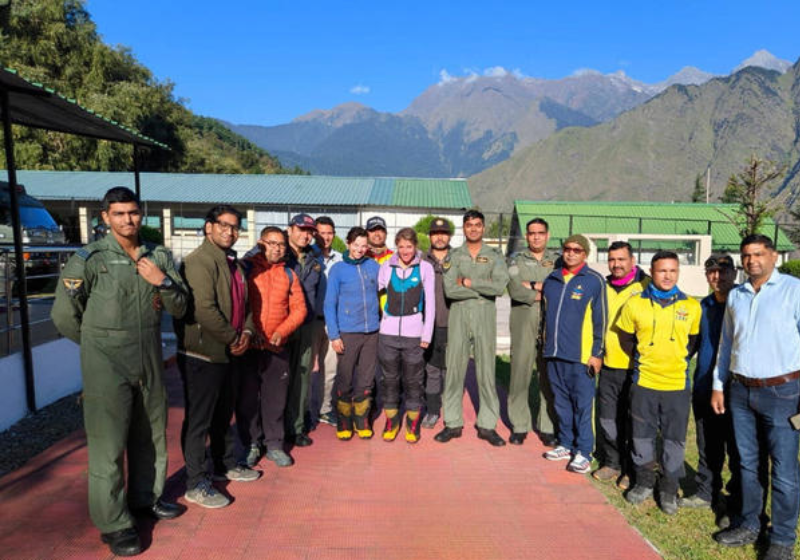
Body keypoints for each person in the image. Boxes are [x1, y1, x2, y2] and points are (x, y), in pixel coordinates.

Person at [52, 187, 188, 556]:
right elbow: (64, 315)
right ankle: (114, 523)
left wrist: (162, 280)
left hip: (148, 360)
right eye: (119, 214)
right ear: (105, 218)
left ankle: (146, 498)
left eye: (133, 213)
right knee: (108, 447)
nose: (128, 220)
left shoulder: (157, 255)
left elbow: (179, 306)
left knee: (150, 436)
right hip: (106, 364)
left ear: (141, 214)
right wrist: (98, 347)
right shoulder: (90, 259)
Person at [712, 235, 800, 560]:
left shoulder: (794, 291)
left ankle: (782, 539)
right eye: (746, 255)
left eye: (758, 254)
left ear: (774, 256)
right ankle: (750, 523)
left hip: (785, 392)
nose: (752, 261)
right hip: (740, 392)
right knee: (747, 464)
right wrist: (719, 385)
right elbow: (726, 344)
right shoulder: (736, 295)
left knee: (784, 468)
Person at [175, 205, 260, 510]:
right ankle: (196, 481)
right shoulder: (199, 262)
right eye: (223, 225)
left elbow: (247, 307)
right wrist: (234, 337)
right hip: (203, 354)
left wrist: (247, 334)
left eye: (235, 227)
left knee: (224, 415)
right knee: (200, 420)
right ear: (208, 227)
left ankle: (225, 464)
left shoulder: (233, 264)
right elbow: (204, 310)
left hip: (230, 352)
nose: (230, 231)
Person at [617, 251, 701, 515]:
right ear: (652, 273)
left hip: (677, 385)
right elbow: (626, 339)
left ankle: (668, 488)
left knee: (674, 439)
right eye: (662, 271)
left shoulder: (691, 306)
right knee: (642, 435)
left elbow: (693, 343)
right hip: (645, 383)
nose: (667, 276)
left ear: (678, 273)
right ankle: (643, 481)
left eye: (673, 271)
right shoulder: (634, 304)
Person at [434, 210, 509, 447]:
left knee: (486, 369)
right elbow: (450, 290)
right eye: (469, 225)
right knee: (455, 368)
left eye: (478, 225)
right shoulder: (454, 255)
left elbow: (499, 287)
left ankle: (487, 425)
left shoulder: (495, 256)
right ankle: (453, 423)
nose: (474, 229)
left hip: (485, 315)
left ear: (483, 227)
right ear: (463, 228)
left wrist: (468, 282)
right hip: (459, 313)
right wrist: (481, 288)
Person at [679, 255, 741, 526]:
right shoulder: (700, 307)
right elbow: (689, 345)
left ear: (734, 272)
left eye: (723, 271)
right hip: (705, 387)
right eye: (712, 272)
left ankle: (736, 501)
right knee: (707, 445)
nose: (718, 277)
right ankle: (707, 492)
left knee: (739, 450)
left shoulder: (744, 303)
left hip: (737, 391)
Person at [237, 227, 306, 468]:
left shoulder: (289, 274)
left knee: (275, 399)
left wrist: (282, 331)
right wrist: (249, 331)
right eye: (272, 243)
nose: (277, 248)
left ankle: (275, 444)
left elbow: (299, 309)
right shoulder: (246, 269)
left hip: (277, 346)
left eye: (281, 245)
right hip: (249, 345)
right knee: (247, 399)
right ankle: (252, 444)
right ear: (261, 243)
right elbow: (238, 303)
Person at [541, 234, 606, 474]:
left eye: (577, 250)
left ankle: (584, 451)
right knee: (561, 403)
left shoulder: (593, 281)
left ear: (585, 254)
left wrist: (597, 352)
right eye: (567, 249)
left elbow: (602, 320)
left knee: (582, 406)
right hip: (554, 355)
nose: (570, 253)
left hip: (580, 357)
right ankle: (566, 444)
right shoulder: (552, 279)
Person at [592, 241, 649, 488]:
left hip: (636, 367)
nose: (616, 264)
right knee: (608, 418)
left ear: (632, 261)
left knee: (633, 420)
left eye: (621, 259)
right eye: (612, 259)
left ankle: (631, 468)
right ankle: (612, 463)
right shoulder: (603, 287)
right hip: (608, 365)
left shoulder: (646, 286)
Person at [377, 227, 436, 443]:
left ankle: (412, 423)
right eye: (401, 246)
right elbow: (375, 292)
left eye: (409, 246)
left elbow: (430, 304)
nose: (405, 251)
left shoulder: (425, 269)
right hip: (388, 335)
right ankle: (391, 421)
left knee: (413, 381)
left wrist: (426, 334)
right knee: (390, 380)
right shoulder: (385, 266)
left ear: (415, 247)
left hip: (414, 336)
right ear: (396, 246)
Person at [324, 227, 381, 440]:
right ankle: (344, 419)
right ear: (348, 244)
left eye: (364, 246)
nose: (360, 249)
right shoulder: (338, 269)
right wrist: (334, 335)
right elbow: (330, 304)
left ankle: (361, 418)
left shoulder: (373, 266)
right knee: (345, 378)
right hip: (347, 332)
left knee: (366, 379)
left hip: (371, 332)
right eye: (356, 245)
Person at [506, 218, 559, 446]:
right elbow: (515, 289)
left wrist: (534, 285)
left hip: (550, 325)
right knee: (520, 375)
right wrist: (544, 289)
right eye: (531, 233)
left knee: (548, 378)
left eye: (540, 233)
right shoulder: (516, 260)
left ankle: (547, 427)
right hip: (523, 324)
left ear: (547, 235)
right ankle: (519, 425)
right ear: (526, 236)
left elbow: (560, 289)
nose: (536, 236)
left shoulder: (557, 262)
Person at [284, 214, 323, 447]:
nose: (305, 234)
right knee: (276, 380)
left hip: (305, 326)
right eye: (301, 229)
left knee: (301, 378)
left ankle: (296, 427)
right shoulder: (278, 253)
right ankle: (270, 431)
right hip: (280, 326)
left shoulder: (314, 260)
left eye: (310, 231)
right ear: (290, 229)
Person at [310, 216, 343, 427]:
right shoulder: (308, 257)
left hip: (333, 322)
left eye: (329, 233)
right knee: (305, 370)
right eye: (321, 233)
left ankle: (325, 409)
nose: (326, 237)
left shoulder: (340, 259)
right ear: (314, 234)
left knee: (329, 369)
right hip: (311, 321)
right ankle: (303, 412)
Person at [421, 217, 453, 429]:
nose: (439, 237)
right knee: (432, 369)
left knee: (451, 370)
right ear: (430, 236)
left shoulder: (459, 258)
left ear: (449, 236)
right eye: (435, 233)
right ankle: (432, 411)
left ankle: (451, 413)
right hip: (429, 325)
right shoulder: (422, 260)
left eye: (443, 233)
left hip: (454, 323)